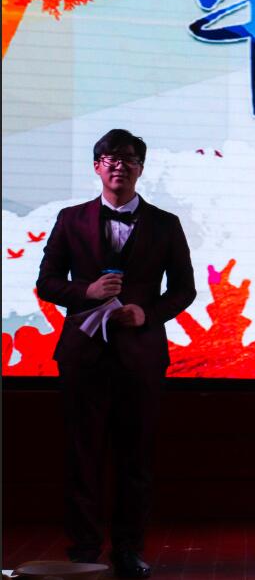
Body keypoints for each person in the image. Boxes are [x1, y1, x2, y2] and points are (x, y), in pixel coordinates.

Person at [36, 129, 196, 578]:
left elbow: (184, 289)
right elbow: (47, 282)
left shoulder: (166, 224)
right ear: (96, 167)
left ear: (141, 167)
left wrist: (147, 313)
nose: (118, 165)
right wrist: (85, 291)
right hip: (83, 355)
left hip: (140, 355)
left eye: (128, 158)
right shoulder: (70, 219)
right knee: (82, 454)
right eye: (109, 158)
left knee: (135, 458)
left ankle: (128, 549)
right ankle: (84, 550)